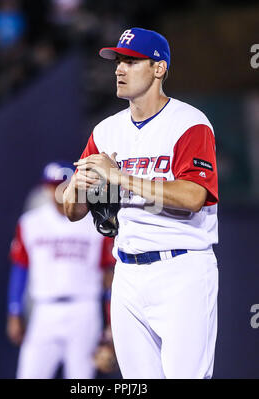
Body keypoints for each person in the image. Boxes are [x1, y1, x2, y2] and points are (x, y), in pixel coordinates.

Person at [63, 27, 219, 379]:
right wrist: (77, 185)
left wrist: (119, 178)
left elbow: (194, 196)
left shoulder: (189, 123)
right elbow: (73, 213)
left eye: (132, 61)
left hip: (181, 269)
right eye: (118, 61)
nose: (119, 69)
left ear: (159, 68)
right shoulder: (105, 131)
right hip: (127, 273)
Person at [6, 161, 116, 379]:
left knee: (81, 379)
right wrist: (14, 310)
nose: (57, 189)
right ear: (45, 187)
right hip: (44, 310)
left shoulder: (94, 221)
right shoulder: (31, 222)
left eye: (63, 184)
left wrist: (111, 323)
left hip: (84, 309)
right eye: (52, 184)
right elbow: (20, 268)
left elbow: (108, 276)